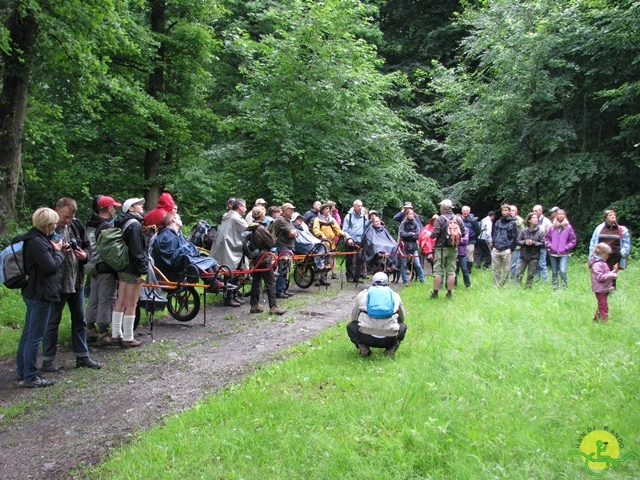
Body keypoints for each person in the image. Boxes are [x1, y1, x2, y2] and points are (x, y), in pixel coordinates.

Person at [42, 198, 102, 372]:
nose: (67, 220)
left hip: (76, 281)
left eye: (70, 217)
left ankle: (82, 356)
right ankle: (47, 360)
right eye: (65, 216)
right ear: (56, 210)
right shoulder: (47, 228)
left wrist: (85, 256)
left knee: (79, 321)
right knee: (53, 322)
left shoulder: (76, 225)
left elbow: (87, 247)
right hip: (56, 284)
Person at [15, 208, 65, 387]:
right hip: (40, 293)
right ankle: (30, 375)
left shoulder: (31, 239)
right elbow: (51, 267)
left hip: (32, 291)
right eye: (54, 223)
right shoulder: (38, 242)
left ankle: (22, 370)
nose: (55, 226)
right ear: (46, 225)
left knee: (29, 332)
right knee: (35, 335)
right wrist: (59, 252)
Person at [111, 198, 148, 347]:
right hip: (133, 268)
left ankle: (115, 334)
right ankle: (128, 337)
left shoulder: (119, 222)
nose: (141, 207)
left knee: (121, 301)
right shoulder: (135, 225)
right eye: (138, 205)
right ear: (131, 209)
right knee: (132, 303)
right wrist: (143, 271)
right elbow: (137, 251)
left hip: (122, 266)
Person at [85, 195, 121, 347]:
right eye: (112, 206)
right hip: (105, 268)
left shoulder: (90, 223)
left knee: (94, 298)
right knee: (107, 299)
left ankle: (89, 329)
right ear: (105, 208)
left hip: (91, 266)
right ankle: (103, 333)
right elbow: (111, 252)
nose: (114, 209)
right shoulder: (106, 226)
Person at [346, 272, 407, 357]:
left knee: (350, 326)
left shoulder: (363, 295)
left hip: (366, 337)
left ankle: (363, 347)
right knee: (403, 326)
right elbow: (402, 318)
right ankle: (391, 348)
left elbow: (354, 317)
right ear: (388, 284)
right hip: (389, 338)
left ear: (372, 284)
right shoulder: (395, 296)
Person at [246, 206, 286, 315]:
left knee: (256, 281)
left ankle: (254, 305)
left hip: (255, 257)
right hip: (264, 257)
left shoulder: (251, 226)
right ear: (261, 215)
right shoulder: (260, 228)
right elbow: (271, 242)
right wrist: (273, 230)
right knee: (271, 282)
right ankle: (273, 306)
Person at [210, 198, 248, 306]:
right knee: (230, 272)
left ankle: (234, 294)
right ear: (240, 206)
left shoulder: (229, 216)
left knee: (234, 272)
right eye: (244, 206)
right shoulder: (236, 218)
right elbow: (248, 230)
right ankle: (229, 297)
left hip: (228, 246)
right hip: (230, 247)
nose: (246, 208)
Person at [429, 199, 466, 299]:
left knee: (437, 271)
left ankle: (435, 294)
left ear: (443, 208)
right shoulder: (457, 219)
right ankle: (449, 294)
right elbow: (464, 232)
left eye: (440, 206)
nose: (440, 208)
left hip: (441, 249)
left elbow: (434, 234)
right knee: (451, 272)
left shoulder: (440, 219)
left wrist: (431, 235)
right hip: (453, 249)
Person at [589, 209, 631, 290]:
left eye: (614, 215)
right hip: (600, 256)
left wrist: (622, 253)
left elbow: (626, 243)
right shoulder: (599, 228)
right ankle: (601, 289)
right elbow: (593, 241)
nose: (613, 216)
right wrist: (592, 254)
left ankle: (612, 289)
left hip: (615, 255)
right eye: (610, 215)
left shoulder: (622, 229)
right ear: (605, 218)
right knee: (601, 272)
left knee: (613, 272)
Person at [312, 203, 349, 282]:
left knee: (328, 261)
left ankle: (323, 279)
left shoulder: (332, 219)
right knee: (320, 260)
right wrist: (321, 234)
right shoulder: (317, 219)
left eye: (329, 209)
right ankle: (317, 278)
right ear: (322, 210)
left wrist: (342, 233)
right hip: (321, 243)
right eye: (326, 209)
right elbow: (315, 229)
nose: (328, 210)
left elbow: (337, 229)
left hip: (331, 243)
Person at [272, 202, 298, 298]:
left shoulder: (288, 220)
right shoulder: (280, 220)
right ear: (284, 210)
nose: (292, 211)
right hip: (283, 246)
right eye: (290, 209)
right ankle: (279, 290)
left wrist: (294, 233)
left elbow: (295, 233)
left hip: (289, 246)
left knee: (287, 269)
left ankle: (284, 289)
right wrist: (294, 233)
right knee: (283, 268)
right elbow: (291, 233)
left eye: (292, 209)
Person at [545, 209, 577, 289]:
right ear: (556, 216)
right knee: (554, 272)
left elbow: (573, 240)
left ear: (565, 216)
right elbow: (547, 238)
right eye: (559, 214)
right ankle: (555, 287)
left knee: (563, 271)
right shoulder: (552, 227)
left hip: (563, 254)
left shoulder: (568, 227)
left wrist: (566, 247)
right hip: (553, 253)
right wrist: (550, 246)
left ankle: (564, 287)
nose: (561, 215)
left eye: (563, 214)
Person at [589, 243, 618, 323]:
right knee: (603, 306)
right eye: (607, 254)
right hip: (600, 289)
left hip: (604, 288)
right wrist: (612, 275)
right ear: (602, 254)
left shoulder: (602, 263)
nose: (608, 256)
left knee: (601, 305)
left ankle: (595, 320)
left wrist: (614, 271)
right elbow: (600, 277)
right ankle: (605, 321)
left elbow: (606, 274)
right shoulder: (597, 264)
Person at [515, 213, 545, 288]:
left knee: (531, 274)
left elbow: (543, 243)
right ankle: (517, 287)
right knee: (519, 273)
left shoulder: (540, 232)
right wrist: (525, 242)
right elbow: (518, 241)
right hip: (524, 255)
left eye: (536, 218)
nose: (536, 219)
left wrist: (533, 243)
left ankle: (528, 288)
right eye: (533, 218)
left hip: (534, 255)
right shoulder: (524, 231)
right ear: (529, 220)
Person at [491, 205, 518, 287]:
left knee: (507, 269)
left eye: (506, 210)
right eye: (502, 210)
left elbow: (515, 237)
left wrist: (511, 249)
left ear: (509, 211)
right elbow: (494, 234)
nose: (504, 212)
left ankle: (505, 285)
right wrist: (494, 244)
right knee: (495, 269)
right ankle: (496, 285)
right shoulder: (498, 222)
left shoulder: (513, 223)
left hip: (506, 249)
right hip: (496, 248)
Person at [342, 199, 369, 282]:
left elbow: (366, 228)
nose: (360, 207)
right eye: (358, 206)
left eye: (361, 206)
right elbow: (344, 230)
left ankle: (356, 277)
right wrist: (348, 238)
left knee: (359, 258)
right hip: (350, 239)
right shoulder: (348, 216)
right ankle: (349, 276)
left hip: (360, 240)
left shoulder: (364, 216)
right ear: (354, 206)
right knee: (349, 258)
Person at [398, 209, 425, 286]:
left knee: (417, 264)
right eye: (409, 214)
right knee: (403, 264)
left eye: (412, 214)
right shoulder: (403, 224)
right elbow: (402, 234)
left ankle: (422, 280)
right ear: (407, 215)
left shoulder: (416, 224)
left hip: (413, 247)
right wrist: (411, 234)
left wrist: (408, 235)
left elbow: (417, 236)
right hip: (404, 247)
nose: (411, 215)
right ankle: (405, 281)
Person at [532, 204, 553, 281]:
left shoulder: (546, 221)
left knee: (542, 263)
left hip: (543, 246)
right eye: (533, 211)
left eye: (536, 211)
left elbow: (551, 234)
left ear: (541, 211)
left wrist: (548, 245)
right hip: (534, 246)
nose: (534, 212)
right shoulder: (533, 220)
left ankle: (545, 280)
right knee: (535, 263)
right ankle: (536, 280)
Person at [461, 206, 480, 273]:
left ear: (469, 211)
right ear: (462, 211)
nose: (465, 212)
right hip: (461, 241)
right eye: (464, 210)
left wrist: (473, 235)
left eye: (466, 211)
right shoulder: (459, 219)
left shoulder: (473, 220)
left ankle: (469, 271)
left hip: (470, 241)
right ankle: (461, 270)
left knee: (469, 257)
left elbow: (478, 230)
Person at [509, 205, 526, 280]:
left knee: (514, 263)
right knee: (508, 263)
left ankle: (514, 279)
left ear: (516, 212)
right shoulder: (506, 220)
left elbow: (524, 232)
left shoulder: (519, 221)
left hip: (516, 246)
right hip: (507, 245)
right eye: (510, 210)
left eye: (513, 210)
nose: (511, 212)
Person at [455, 216, 471, 288]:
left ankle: (468, 285)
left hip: (462, 252)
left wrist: (456, 240)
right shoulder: (452, 229)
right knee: (454, 270)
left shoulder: (465, 229)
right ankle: (454, 285)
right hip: (454, 252)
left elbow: (465, 240)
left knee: (464, 269)